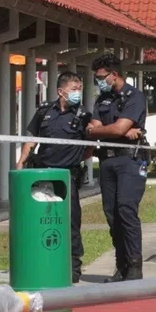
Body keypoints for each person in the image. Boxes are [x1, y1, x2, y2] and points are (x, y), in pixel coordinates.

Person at [17, 72, 93, 282]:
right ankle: (42, 260)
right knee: (41, 220)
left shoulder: (84, 116)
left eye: (79, 89)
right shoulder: (44, 112)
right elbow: (31, 139)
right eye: (74, 89)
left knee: (70, 222)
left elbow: (89, 148)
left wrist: (74, 159)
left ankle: (73, 268)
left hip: (67, 178)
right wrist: (21, 162)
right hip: (43, 176)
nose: (78, 93)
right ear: (61, 91)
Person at [86, 54, 149, 282]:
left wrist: (109, 129)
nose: (99, 81)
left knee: (126, 210)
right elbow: (96, 128)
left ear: (114, 75)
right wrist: (111, 130)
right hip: (107, 161)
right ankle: (121, 266)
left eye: (101, 77)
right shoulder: (101, 99)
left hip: (129, 160)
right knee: (112, 215)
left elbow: (116, 130)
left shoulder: (134, 96)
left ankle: (134, 266)